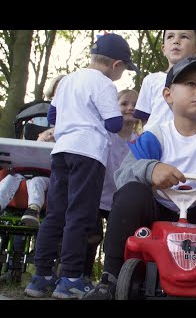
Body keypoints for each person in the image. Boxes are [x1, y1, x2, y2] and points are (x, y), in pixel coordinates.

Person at [84, 56, 196, 300]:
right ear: (168, 95)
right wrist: (151, 169)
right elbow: (122, 175)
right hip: (159, 210)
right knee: (131, 193)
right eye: (190, 85)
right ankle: (110, 279)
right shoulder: (153, 137)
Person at [24, 33, 139, 299]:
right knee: (80, 215)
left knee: (55, 213)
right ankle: (72, 278)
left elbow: (52, 115)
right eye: (124, 69)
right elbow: (113, 124)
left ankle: (41, 277)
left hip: (62, 151)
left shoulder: (67, 81)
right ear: (116, 65)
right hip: (88, 153)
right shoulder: (103, 84)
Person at [84, 89, 141, 280]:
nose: (130, 108)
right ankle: (81, 275)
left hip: (121, 199)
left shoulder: (140, 142)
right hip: (98, 195)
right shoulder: (105, 134)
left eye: (134, 104)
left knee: (118, 239)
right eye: (125, 103)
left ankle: (116, 278)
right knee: (91, 236)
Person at [134, 30, 196, 131]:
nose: (176, 41)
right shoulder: (150, 80)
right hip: (157, 144)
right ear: (163, 49)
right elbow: (145, 117)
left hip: (190, 144)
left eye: (184, 37)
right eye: (170, 37)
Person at [21, 75, 66, 226]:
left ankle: (33, 209)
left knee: (37, 182)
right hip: (28, 167)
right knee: (9, 179)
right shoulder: (36, 120)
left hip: (51, 171)